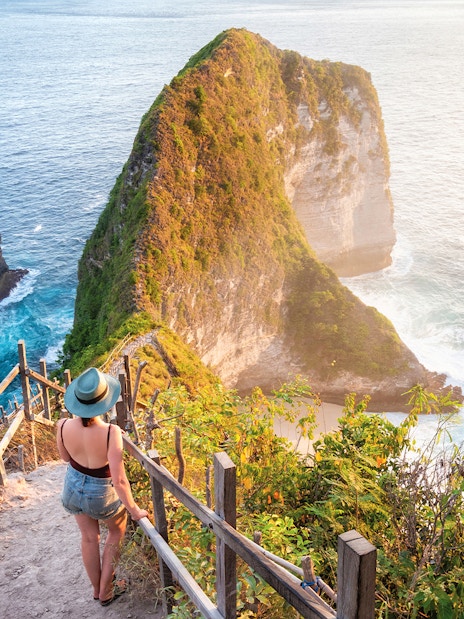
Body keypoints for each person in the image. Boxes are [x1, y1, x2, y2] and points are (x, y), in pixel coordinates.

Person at [56, 367, 148, 606]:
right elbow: (118, 480)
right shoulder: (111, 432)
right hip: (101, 492)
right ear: (102, 403)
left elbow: (65, 458)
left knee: (88, 538)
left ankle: (97, 589)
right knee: (116, 533)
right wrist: (134, 509)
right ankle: (106, 591)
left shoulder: (63, 425)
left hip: (73, 487)